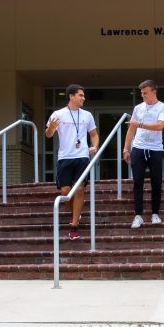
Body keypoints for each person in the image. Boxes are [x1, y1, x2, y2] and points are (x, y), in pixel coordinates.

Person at [45, 84, 99, 240]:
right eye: (80, 95)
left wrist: (94, 146)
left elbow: (94, 134)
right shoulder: (58, 114)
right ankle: (75, 213)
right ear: (71, 96)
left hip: (82, 156)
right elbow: (48, 135)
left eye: (83, 95)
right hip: (64, 157)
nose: (83, 98)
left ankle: (74, 225)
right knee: (65, 192)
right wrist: (51, 129)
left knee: (80, 189)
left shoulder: (87, 115)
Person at [122, 79, 164, 229]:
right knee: (137, 182)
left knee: (156, 182)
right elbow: (131, 129)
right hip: (138, 147)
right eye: (141, 93)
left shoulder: (163, 107)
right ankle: (138, 215)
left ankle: (155, 213)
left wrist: (140, 125)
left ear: (154, 92)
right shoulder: (138, 108)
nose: (143, 96)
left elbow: (160, 126)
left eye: (145, 93)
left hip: (155, 149)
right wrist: (125, 149)